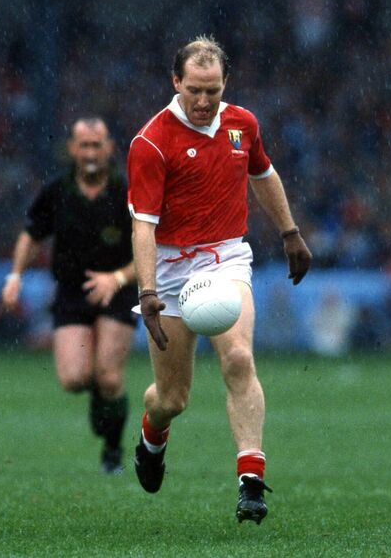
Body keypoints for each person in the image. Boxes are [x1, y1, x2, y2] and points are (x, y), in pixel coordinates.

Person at [127, 37, 312, 524]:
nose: (204, 100)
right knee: (173, 398)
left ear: (224, 83)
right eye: (194, 90)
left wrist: (290, 232)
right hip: (168, 269)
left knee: (238, 356)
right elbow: (143, 224)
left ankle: (250, 479)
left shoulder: (242, 124)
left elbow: (263, 174)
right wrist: (148, 290)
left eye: (213, 89)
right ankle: (152, 435)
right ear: (175, 83)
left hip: (226, 257)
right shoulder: (150, 142)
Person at [2, 117, 138, 474]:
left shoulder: (128, 191)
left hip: (119, 291)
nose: (90, 153)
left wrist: (118, 277)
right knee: (74, 379)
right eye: (84, 145)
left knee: (110, 376)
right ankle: (96, 393)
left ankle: (113, 449)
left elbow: (152, 250)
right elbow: (31, 235)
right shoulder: (57, 192)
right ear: (72, 149)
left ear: (109, 148)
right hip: (71, 293)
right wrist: (15, 276)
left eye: (97, 145)